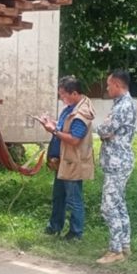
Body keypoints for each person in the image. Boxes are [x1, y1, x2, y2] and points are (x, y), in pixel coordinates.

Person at [40, 76, 96, 240]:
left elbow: (74, 139)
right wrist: (52, 123)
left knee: (73, 199)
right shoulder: (72, 107)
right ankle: (54, 226)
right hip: (63, 160)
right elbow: (65, 125)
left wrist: (54, 131)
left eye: (63, 95)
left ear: (74, 93)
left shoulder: (81, 113)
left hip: (73, 161)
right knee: (59, 196)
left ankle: (75, 233)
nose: (61, 98)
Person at [95, 69, 136, 264]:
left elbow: (104, 129)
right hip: (118, 161)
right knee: (118, 204)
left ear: (118, 86)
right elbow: (107, 132)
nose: (106, 87)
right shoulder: (121, 104)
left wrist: (103, 130)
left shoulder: (123, 106)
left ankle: (115, 249)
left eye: (109, 84)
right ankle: (125, 245)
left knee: (108, 206)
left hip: (117, 162)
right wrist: (106, 131)